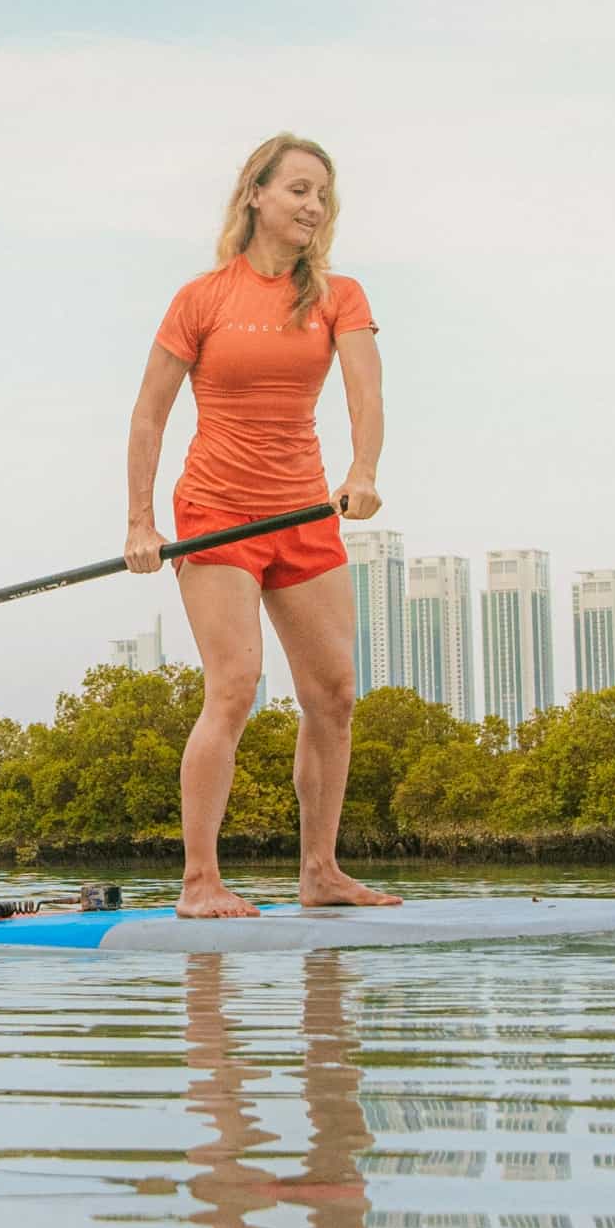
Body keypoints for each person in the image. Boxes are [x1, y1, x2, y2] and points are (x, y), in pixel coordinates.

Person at [123, 132, 405, 916]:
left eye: (323, 195)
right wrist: (141, 522)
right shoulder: (202, 298)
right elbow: (149, 415)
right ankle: (199, 882)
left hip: (305, 510)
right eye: (298, 190)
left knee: (336, 694)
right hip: (216, 513)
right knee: (236, 686)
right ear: (256, 194)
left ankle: (320, 871)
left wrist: (363, 474)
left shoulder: (339, 295)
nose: (314, 206)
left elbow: (365, 396)